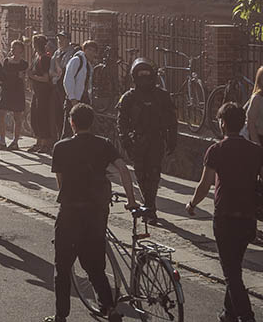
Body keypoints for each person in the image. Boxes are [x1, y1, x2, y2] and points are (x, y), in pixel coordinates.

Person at [46, 102, 136, 322]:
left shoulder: (61, 147)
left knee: (63, 266)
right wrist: (131, 200)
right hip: (96, 211)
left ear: (72, 122)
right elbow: (124, 169)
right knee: (95, 263)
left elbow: (61, 180)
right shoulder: (104, 144)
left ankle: (61, 316)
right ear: (92, 122)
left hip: (70, 211)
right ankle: (110, 309)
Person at [187, 102, 263, 322]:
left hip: (225, 216)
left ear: (223, 123)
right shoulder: (256, 150)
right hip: (248, 218)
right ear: (243, 122)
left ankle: (246, 316)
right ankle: (228, 314)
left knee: (231, 273)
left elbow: (205, 184)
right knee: (234, 267)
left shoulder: (216, 150)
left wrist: (192, 205)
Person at [116, 57, 177, 222]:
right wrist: (125, 140)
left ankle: (150, 207)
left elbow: (172, 119)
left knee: (154, 173)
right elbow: (121, 121)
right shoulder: (129, 97)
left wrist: (172, 139)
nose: (144, 77)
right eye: (140, 74)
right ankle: (148, 205)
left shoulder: (162, 96)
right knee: (141, 174)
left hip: (156, 140)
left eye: (147, 74)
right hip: (138, 142)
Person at [28, 33, 57, 152]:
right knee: (34, 117)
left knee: (42, 117)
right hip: (36, 91)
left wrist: (32, 77)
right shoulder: (36, 56)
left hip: (44, 93)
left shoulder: (44, 58)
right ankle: (38, 141)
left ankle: (46, 143)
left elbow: (45, 79)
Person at [0, 38, 28, 151]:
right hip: (6, 90)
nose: (14, 49)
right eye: (13, 47)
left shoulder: (24, 64)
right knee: (0, 114)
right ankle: (2, 140)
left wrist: (17, 75)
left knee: (17, 116)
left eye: (16, 48)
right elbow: (4, 74)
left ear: (21, 50)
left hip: (17, 91)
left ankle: (15, 141)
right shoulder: (6, 61)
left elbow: (22, 77)